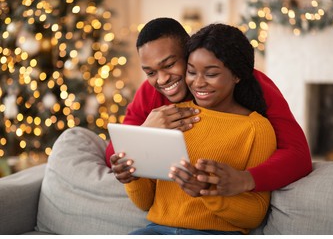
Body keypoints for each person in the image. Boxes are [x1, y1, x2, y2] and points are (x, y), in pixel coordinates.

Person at [106, 17, 312, 195]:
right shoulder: (150, 92)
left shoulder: (251, 82)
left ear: (190, 51)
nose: (161, 80)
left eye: (169, 65)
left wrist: (246, 180)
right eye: (150, 72)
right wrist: (145, 133)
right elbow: (112, 152)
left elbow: (299, 155)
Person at [125, 23, 276, 235]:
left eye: (211, 74)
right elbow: (144, 202)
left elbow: (254, 215)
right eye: (191, 72)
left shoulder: (256, 129)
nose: (198, 83)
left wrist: (208, 192)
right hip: (156, 232)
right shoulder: (169, 117)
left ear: (237, 75)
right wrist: (132, 176)